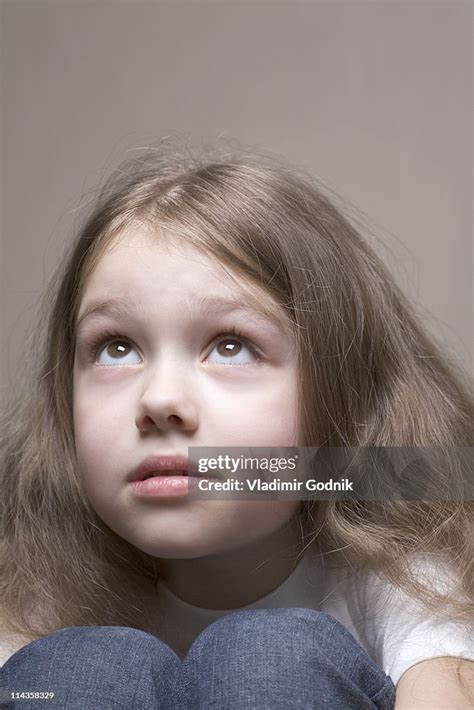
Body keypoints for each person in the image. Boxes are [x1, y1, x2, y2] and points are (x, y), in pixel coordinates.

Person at [0, 137, 472, 709]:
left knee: (269, 659)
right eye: (117, 348)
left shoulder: (397, 574)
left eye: (231, 347)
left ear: (344, 396)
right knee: (77, 671)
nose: (160, 399)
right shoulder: (39, 591)